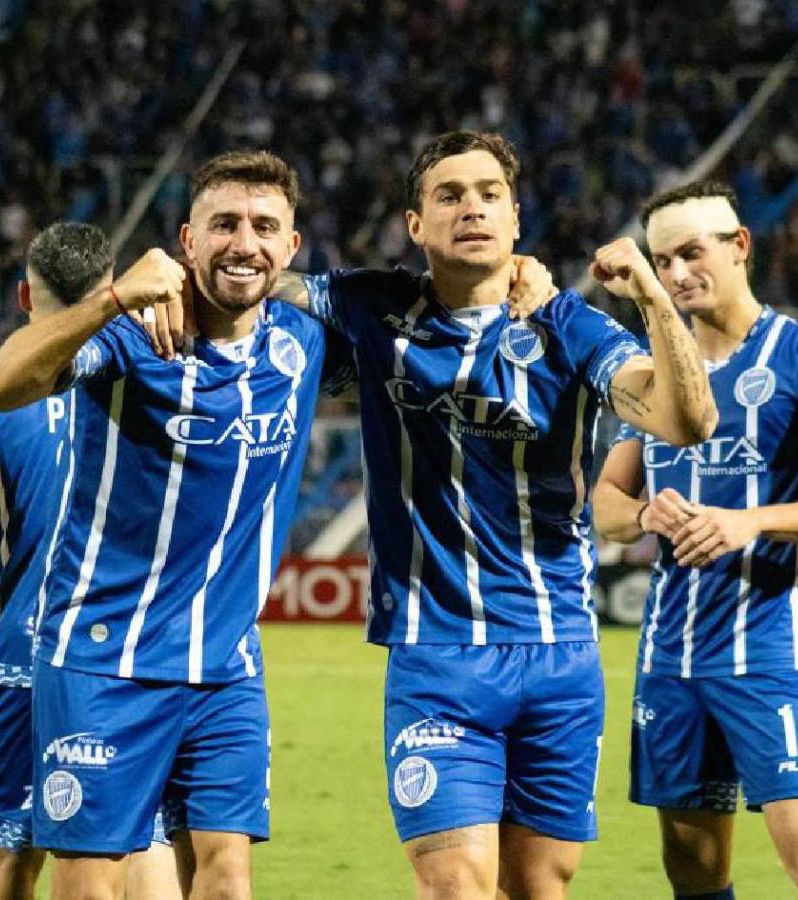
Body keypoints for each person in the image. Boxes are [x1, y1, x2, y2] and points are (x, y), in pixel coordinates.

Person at [273, 130, 717, 900]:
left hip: (560, 658)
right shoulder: (371, 306)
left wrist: (649, 294)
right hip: (436, 656)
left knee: (538, 889)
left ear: (516, 220)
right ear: (416, 226)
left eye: (489, 195)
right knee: (455, 886)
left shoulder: (569, 326)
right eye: (448, 195)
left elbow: (688, 421)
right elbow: (251, 284)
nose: (470, 208)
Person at [0, 151, 346, 900]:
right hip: (102, 656)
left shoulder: (300, 344)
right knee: (88, 883)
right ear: (187, 239)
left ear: (292, 247)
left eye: (265, 226)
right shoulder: (132, 338)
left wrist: (521, 280)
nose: (245, 242)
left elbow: (428, 305)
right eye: (225, 224)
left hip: (226, 665)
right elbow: (1, 383)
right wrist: (112, 300)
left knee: (227, 875)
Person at [593, 180, 798, 900]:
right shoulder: (658, 376)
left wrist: (748, 521)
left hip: (769, 661)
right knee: (692, 874)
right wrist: (645, 515)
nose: (679, 273)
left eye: (692, 252)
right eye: (663, 262)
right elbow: (604, 504)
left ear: (740, 246)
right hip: (670, 662)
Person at [0, 222, 179, 899]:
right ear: (112, 287)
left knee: (10, 865)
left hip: (22, 654)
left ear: (22, 295)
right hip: (131, 653)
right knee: (138, 846)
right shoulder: (157, 354)